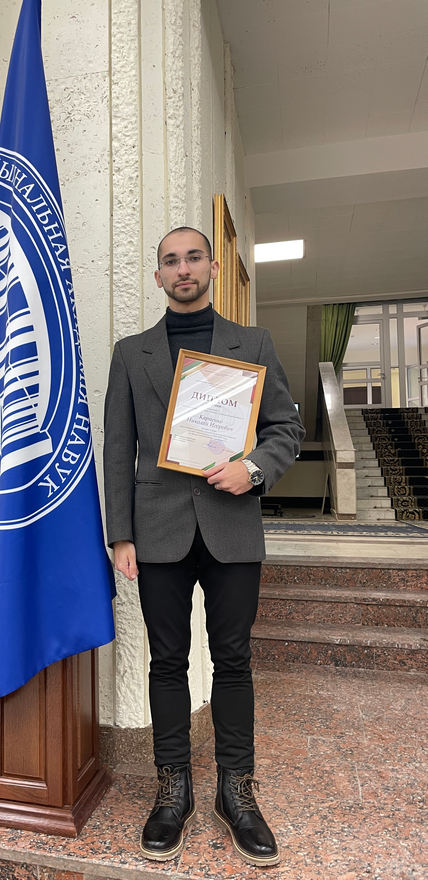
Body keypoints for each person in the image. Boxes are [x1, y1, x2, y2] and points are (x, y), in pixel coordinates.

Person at [103, 227, 304, 867]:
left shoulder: (254, 344)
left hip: (231, 524)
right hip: (157, 529)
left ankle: (235, 792)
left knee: (233, 660)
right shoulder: (131, 353)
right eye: (171, 261)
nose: (183, 268)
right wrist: (119, 533)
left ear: (213, 267)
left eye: (193, 257)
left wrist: (255, 469)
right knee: (167, 661)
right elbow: (117, 448)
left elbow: (286, 428)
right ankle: (174, 790)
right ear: (158, 276)